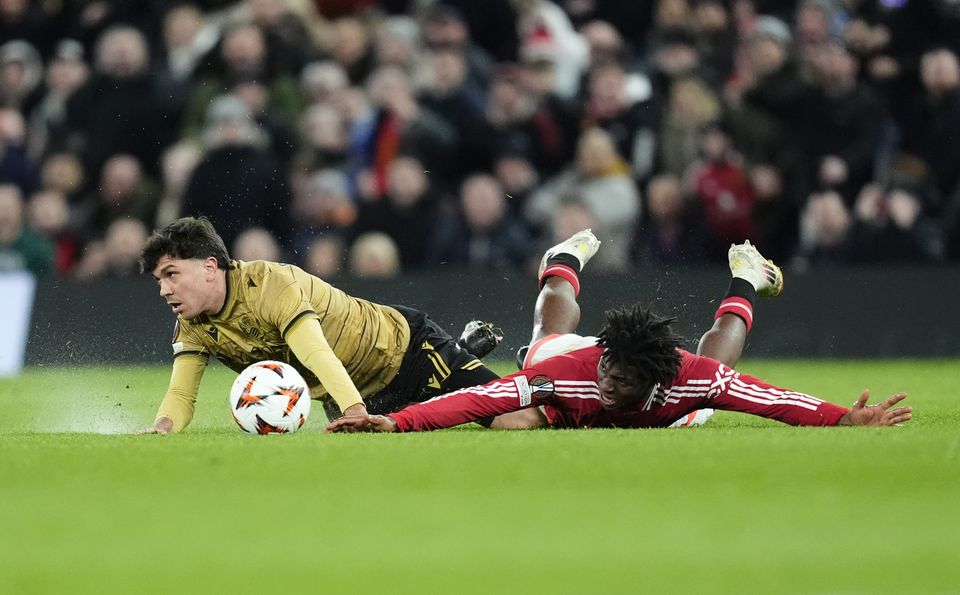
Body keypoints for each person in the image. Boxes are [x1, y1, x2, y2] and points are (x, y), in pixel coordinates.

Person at [327, 230, 912, 433]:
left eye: (621, 378)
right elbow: (478, 396)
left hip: (671, 395)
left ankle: (746, 279)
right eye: (609, 369)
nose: (609, 382)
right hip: (561, 374)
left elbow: (772, 399)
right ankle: (565, 260)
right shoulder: (581, 370)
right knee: (541, 345)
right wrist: (396, 421)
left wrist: (843, 416)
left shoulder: (688, 379)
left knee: (721, 366)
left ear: (653, 377)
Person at [135, 216, 501, 434]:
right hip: (350, 393)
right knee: (404, 435)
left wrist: (355, 411)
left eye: (171, 274)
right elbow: (182, 394)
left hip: (406, 353)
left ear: (209, 266)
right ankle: (461, 352)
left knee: (517, 421)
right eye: (158, 281)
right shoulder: (192, 323)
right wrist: (162, 427)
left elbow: (315, 352)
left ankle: (465, 353)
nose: (165, 290)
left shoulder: (271, 285)